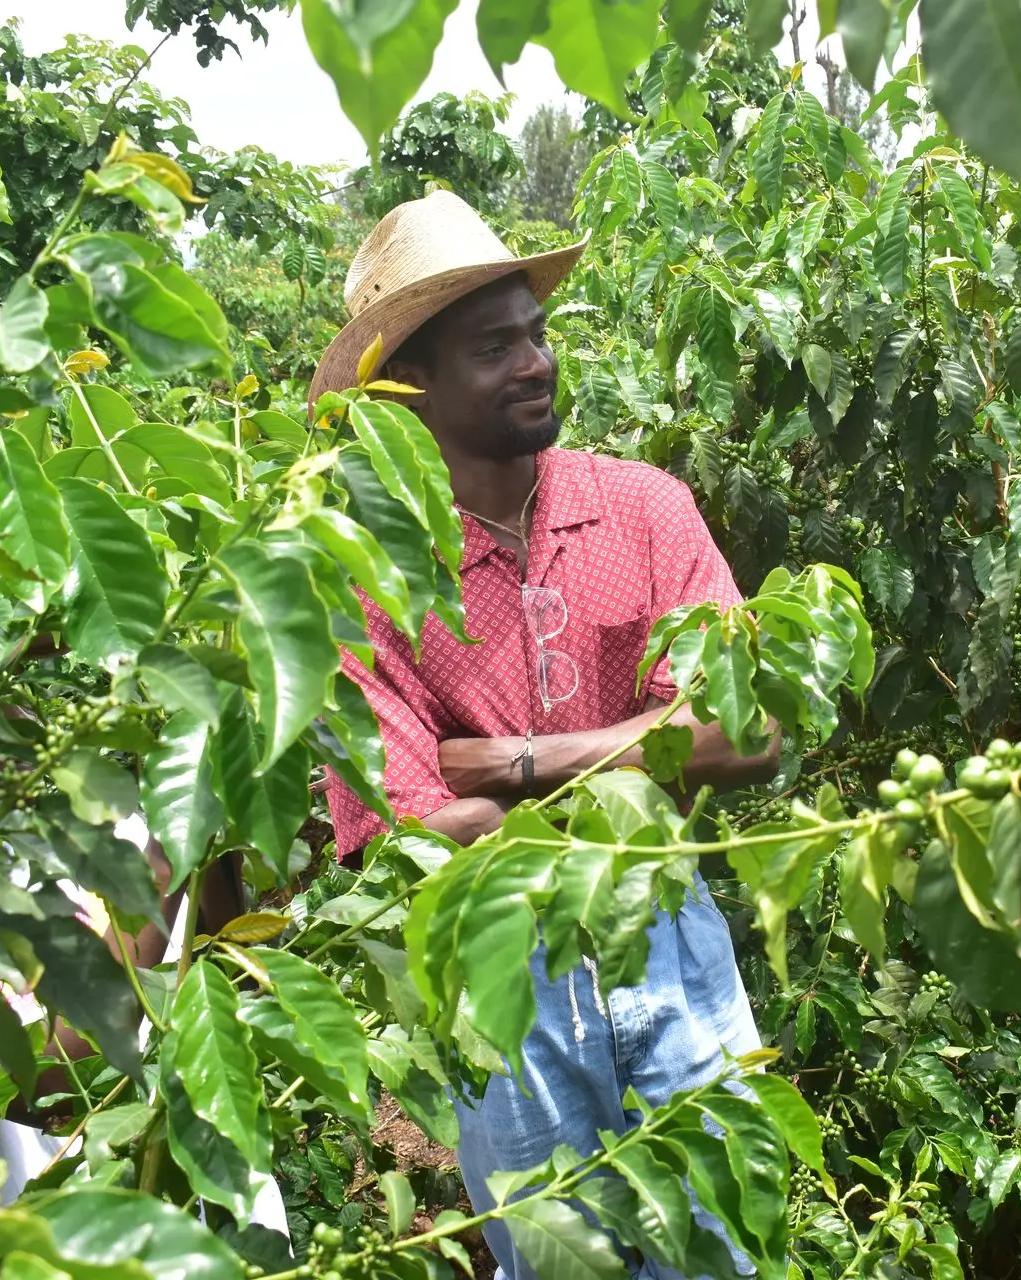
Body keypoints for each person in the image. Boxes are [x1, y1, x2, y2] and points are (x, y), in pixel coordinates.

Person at [309, 191, 776, 1280]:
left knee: (728, 1240)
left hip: (665, 925)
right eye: (493, 346)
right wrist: (651, 742)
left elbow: (749, 735)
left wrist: (517, 762)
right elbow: (410, 839)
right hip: (496, 972)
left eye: (536, 333)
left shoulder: (645, 509)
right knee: (555, 1259)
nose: (535, 362)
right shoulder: (365, 574)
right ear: (407, 388)